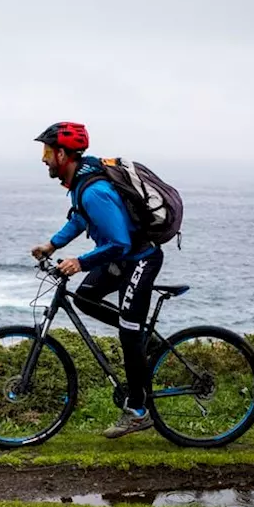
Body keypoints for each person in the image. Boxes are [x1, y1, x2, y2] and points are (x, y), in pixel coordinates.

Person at [29, 121, 164, 439]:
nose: (43, 159)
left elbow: (120, 244)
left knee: (129, 334)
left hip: (139, 260)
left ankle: (138, 410)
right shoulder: (82, 182)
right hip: (121, 259)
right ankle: (145, 338)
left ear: (62, 154)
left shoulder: (95, 191)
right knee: (86, 296)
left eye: (47, 151)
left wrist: (81, 261)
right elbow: (80, 217)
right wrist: (53, 245)